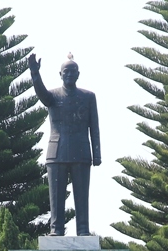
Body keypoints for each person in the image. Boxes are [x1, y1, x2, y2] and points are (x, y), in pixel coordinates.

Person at [29, 52, 101, 236]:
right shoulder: (52, 96)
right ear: (60, 74)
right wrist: (35, 75)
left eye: (72, 72)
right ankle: (56, 229)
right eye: (65, 72)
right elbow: (41, 94)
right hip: (57, 152)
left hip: (82, 151)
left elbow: (95, 127)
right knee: (56, 196)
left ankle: (83, 229)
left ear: (78, 74)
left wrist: (97, 153)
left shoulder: (88, 97)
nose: (69, 75)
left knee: (82, 195)